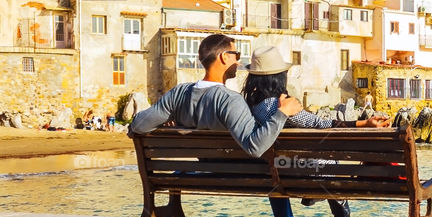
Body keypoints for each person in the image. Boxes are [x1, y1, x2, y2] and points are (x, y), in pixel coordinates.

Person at [241, 45, 390, 217]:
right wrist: (363, 123)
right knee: (331, 165)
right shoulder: (282, 106)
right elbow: (320, 124)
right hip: (308, 172)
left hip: (275, 173)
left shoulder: (249, 107)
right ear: (279, 77)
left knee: (274, 176)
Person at [129, 34, 303, 158]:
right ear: (224, 58)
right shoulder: (230, 100)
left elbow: (138, 125)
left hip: (199, 171)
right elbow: (255, 147)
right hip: (235, 173)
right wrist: (283, 113)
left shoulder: (179, 93)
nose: (238, 62)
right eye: (236, 55)